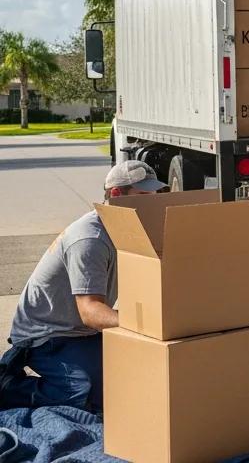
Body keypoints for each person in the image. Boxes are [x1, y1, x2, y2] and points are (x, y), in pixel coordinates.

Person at [0, 161, 166, 411]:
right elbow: (90, 312)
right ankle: (9, 389)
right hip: (48, 334)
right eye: (143, 196)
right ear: (117, 195)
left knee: (134, 379)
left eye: (153, 196)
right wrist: (144, 323)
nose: (151, 204)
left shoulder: (130, 229)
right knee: (85, 394)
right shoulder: (90, 238)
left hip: (81, 332)